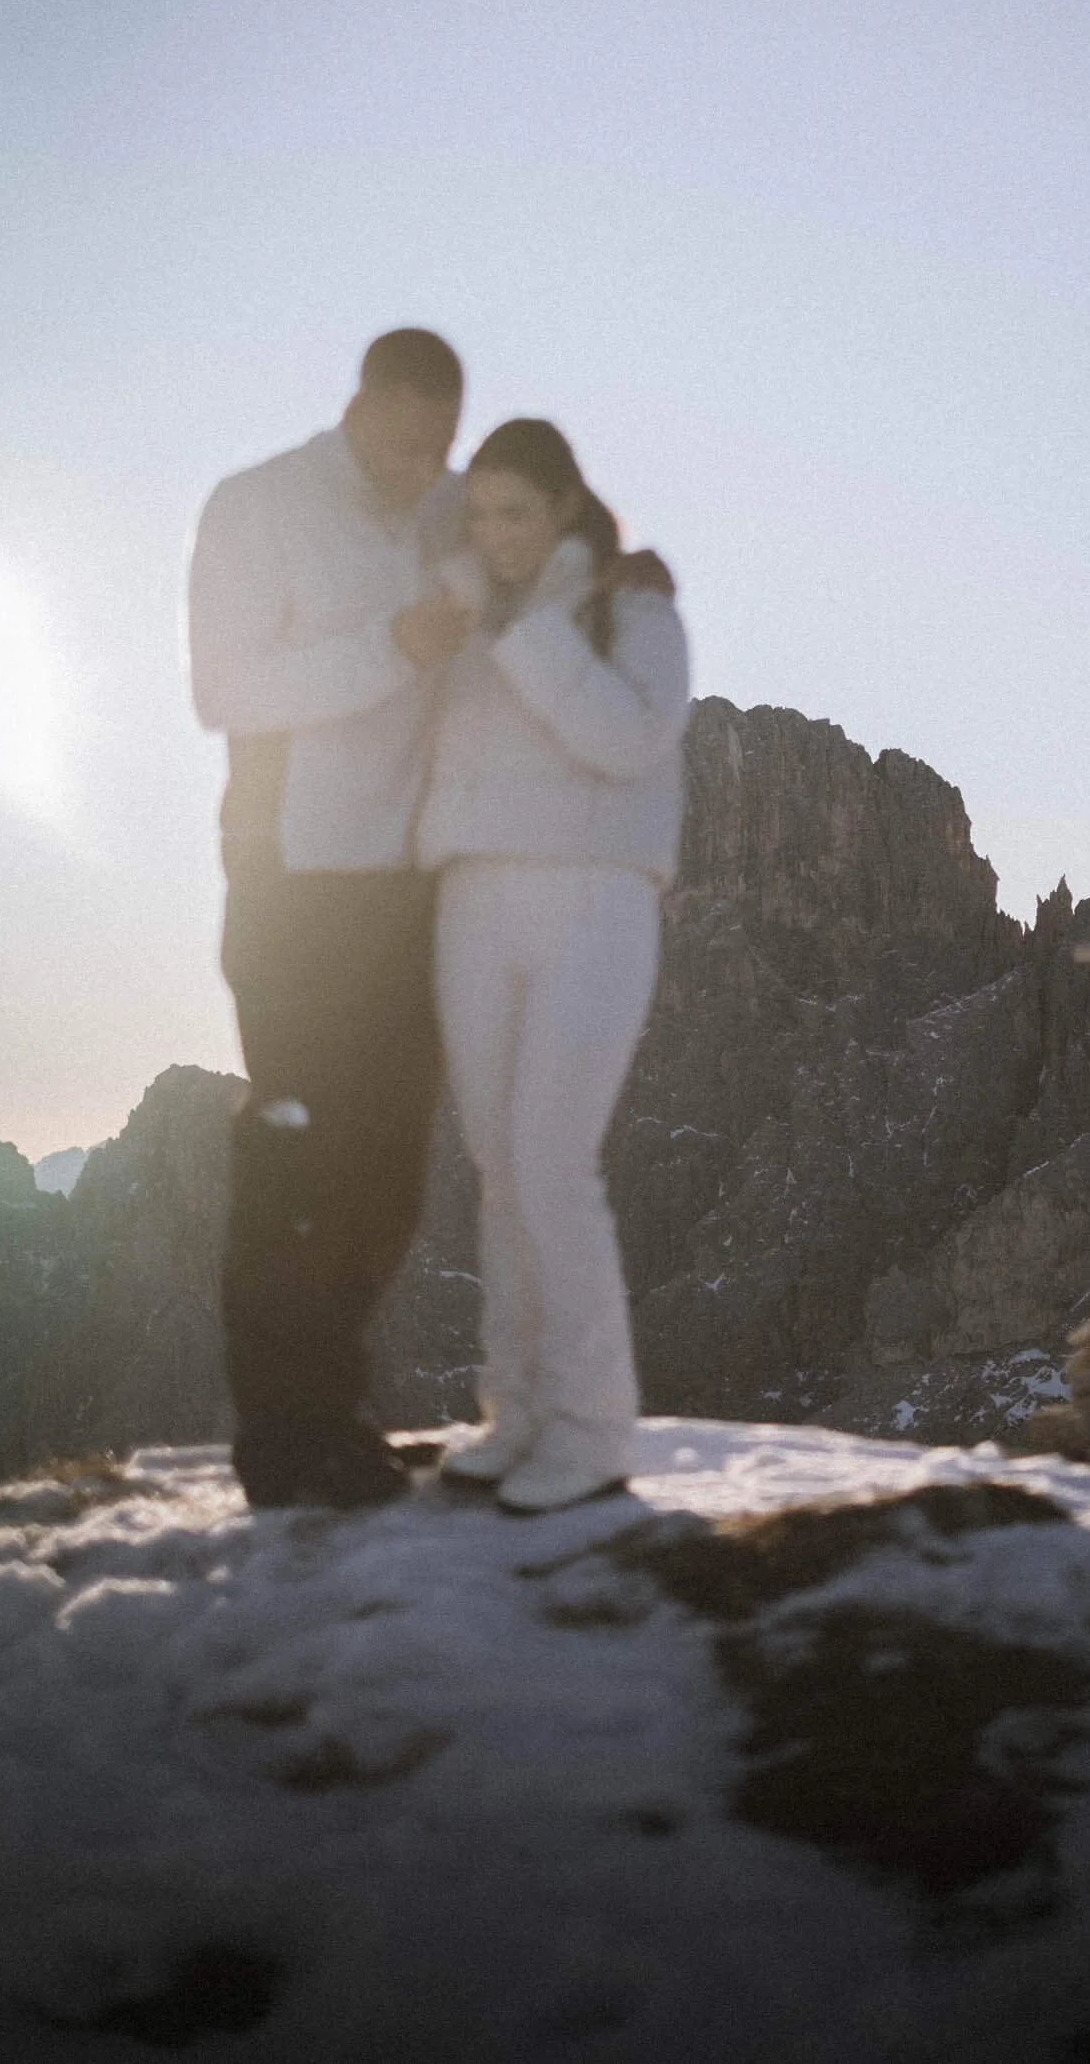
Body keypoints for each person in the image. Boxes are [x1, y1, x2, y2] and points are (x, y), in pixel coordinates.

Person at [188, 329, 472, 1507]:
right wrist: (386, 647)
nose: (423, 469)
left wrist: (625, 575)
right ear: (362, 404)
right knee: (295, 1152)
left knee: (388, 1169)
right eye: (408, 443)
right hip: (294, 882)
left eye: (440, 449)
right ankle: (283, 1441)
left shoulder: (450, 507)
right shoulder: (257, 505)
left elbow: (537, 552)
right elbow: (225, 687)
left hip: (411, 888)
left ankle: (333, 1412)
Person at [416, 418, 689, 1513]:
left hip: (594, 894)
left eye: (515, 511)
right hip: (472, 898)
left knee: (549, 1158)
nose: (495, 532)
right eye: (480, 513)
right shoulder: (467, 617)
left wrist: (527, 629)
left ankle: (590, 1428)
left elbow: (630, 738)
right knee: (496, 1164)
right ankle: (517, 1412)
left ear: (564, 507)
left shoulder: (635, 604)